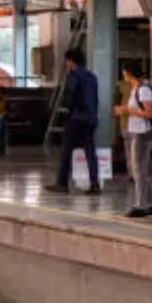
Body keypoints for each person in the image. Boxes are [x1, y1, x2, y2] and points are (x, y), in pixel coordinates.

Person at [46, 49, 101, 194]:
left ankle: (62, 183)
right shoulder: (92, 76)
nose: (66, 63)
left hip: (77, 118)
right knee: (90, 152)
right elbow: (95, 99)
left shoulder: (73, 75)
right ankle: (95, 184)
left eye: (67, 61)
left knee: (66, 151)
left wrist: (67, 113)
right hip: (91, 118)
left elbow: (70, 96)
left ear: (71, 61)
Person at [115, 64, 152, 217]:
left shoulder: (143, 89)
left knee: (138, 170)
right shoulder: (136, 88)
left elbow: (149, 113)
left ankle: (142, 205)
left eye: (124, 73)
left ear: (128, 73)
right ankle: (151, 203)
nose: (123, 76)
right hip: (135, 132)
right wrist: (123, 109)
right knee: (137, 170)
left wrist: (127, 110)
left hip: (142, 133)